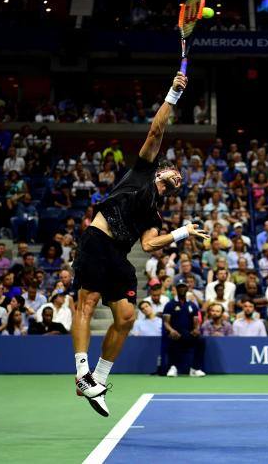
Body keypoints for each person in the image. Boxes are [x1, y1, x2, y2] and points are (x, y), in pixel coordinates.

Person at [70, 72, 210, 417]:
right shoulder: (142, 172)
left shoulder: (154, 213)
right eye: (175, 172)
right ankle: (80, 374)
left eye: (181, 180)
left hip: (118, 254)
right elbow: (156, 130)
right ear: (162, 170)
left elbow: (149, 246)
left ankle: (98, 379)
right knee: (86, 303)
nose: (179, 177)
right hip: (97, 239)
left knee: (127, 316)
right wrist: (173, 94)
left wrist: (183, 232)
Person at [163, 281, 206, 378]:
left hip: (189, 333)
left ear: (187, 289)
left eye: (184, 287)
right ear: (176, 289)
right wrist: (171, 330)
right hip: (175, 333)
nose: (182, 289)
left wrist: (196, 329)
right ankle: (173, 367)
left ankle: (195, 368)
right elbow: (166, 322)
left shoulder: (192, 305)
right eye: (179, 287)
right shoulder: (170, 305)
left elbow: (196, 321)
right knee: (172, 338)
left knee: (201, 340)